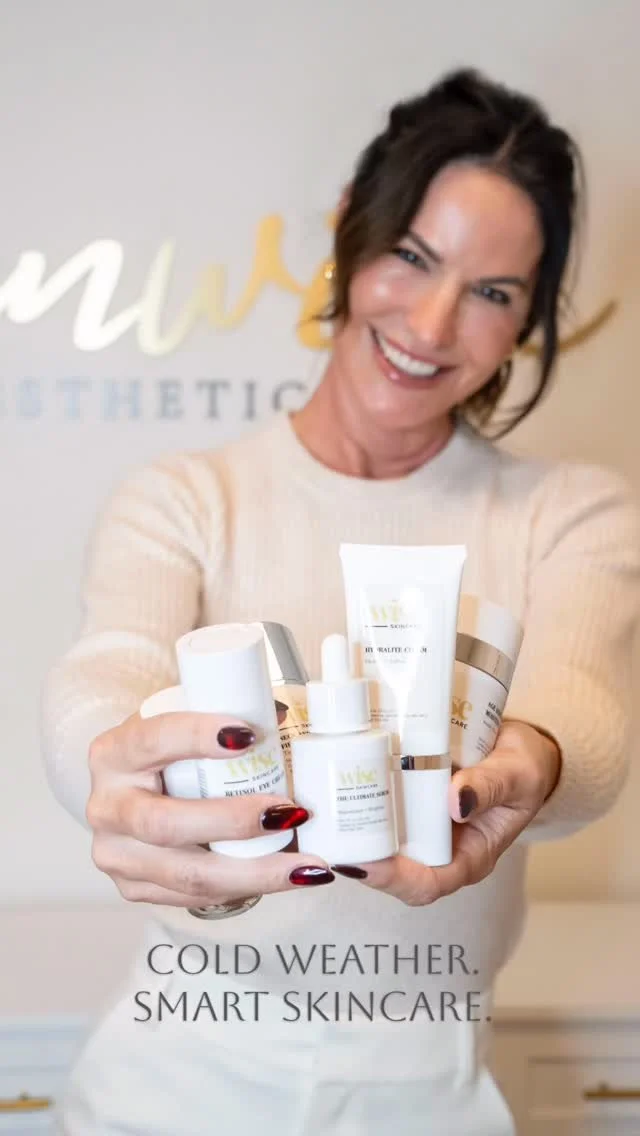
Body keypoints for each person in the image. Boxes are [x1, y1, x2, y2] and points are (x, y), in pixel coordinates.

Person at [42, 67, 640, 1135]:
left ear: (527, 323)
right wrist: (112, 763)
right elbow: (106, 671)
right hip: (174, 1078)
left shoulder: (570, 512)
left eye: (493, 293)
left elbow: (582, 716)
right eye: (413, 254)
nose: (433, 322)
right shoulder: (186, 498)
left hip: (433, 1089)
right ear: (348, 231)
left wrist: (533, 759)